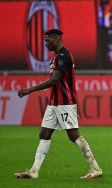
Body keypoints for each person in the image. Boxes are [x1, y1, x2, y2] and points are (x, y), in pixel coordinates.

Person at [15, 29, 102, 179]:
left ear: (56, 39)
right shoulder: (56, 57)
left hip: (65, 103)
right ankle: (34, 171)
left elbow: (55, 79)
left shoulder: (63, 56)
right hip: (54, 104)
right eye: (45, 40)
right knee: (44, 133)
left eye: (48, 40)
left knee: (73, 135)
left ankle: (95, 169)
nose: (45, 43)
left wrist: (31, 89)